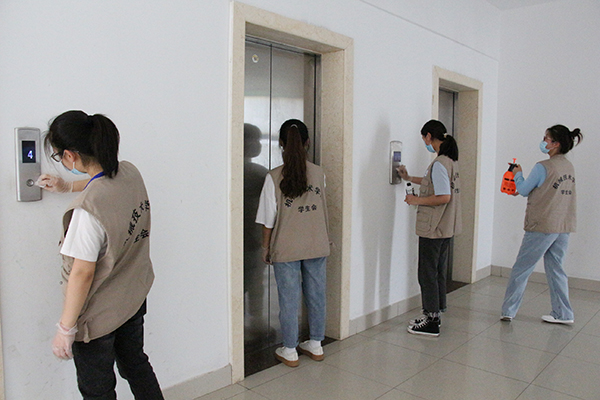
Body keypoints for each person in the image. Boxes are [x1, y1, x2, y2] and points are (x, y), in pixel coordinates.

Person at [37, 110, 164, 399]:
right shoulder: (129, 172)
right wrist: (66, 186)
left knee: (98, 390)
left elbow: (82, 274)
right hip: (132, 298)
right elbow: (103, 181)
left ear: (70, 156)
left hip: (98, 318)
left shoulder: (87, 212)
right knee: (136, 365)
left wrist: (65, 328)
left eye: (58, 156)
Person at [255, 119, 330, 367]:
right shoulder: (319, 173)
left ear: (281, 144)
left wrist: (265, 248)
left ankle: (289, 349)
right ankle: (316, 344)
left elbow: (268, 219)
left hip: (286, 246)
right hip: (316, 243)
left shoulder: (274, 177)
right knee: (316, 294)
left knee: (289, 298)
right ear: (307, 142)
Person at [501, 125, 583, 324]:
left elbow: (523, 189)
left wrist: (518, 173)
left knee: (522, 268)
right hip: (563, 225)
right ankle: (564, 314)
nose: (543, 141)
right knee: (556, 269)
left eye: (546, 138)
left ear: (556, 144)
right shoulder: (568, 166)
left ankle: (508, 311)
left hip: (543, 225)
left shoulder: (542, 166)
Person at [397, 119, 461, 337]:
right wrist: (408, 178)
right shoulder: (449, 161)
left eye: (423, 138)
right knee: (437, 271)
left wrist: (416, 201)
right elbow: (431, 182)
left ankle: (431, 321)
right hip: (445, 227)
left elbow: (443, 196)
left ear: (428, 136)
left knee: (427, 274)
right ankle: (436, 313)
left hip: (434, 227)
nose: (424, 142)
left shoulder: (440, 163)